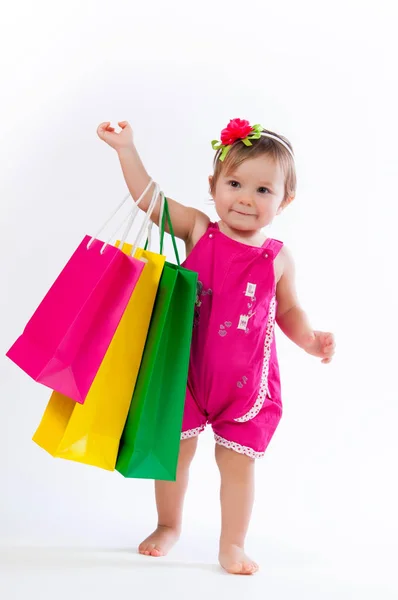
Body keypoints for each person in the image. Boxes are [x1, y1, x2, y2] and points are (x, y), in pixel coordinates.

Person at [97, 118, 336, 575]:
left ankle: (233, 544)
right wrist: (126, 149)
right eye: (235, 183)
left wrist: (309, 338)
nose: (246, 197)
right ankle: (168, 525)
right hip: (186, 373)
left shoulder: (279, 257)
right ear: (214, 185)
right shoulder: (199, 230)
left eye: (264, 190)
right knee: (175, 456)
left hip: (245, 385)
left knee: (238, 466)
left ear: (285, 201)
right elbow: (152, 202)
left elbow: (288, 311)